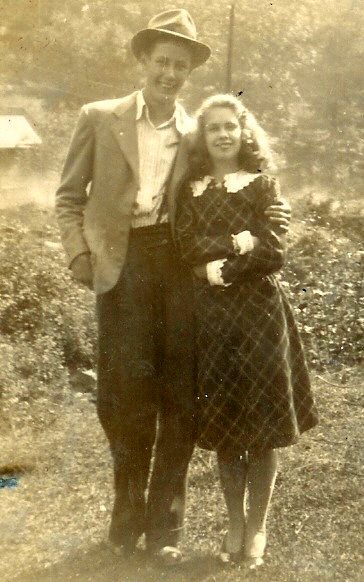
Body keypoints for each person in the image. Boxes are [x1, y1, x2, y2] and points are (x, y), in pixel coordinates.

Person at [55, 10, 291, 565]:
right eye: (161, 61)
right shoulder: (100, 117)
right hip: (121, 266)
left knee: (180, 398)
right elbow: (68, 197)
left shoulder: (195, 132)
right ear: (143, 62)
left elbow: (231, 190)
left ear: (188, 73)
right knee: (123, 397)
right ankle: (125, 517)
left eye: (179, 66)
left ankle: (165, 528)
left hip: (180, 265)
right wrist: (79, 252)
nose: (169, 73)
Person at [176, 94, 318, 570]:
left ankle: (257, 527)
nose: (222, 135)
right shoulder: (191, 189)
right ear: (203, 136)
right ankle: (233, 523)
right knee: (227, 426)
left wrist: (216, 271)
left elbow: (274, 253)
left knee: (259, 428)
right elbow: (186, 246)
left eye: (230, 126)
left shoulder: (263, 186)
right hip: (214, 322)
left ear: (244, 132)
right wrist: (241, 241)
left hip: (258, 316)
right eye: (212, 127)